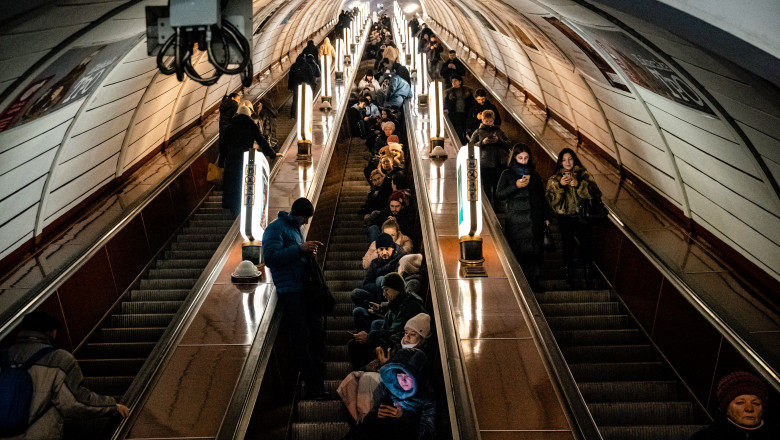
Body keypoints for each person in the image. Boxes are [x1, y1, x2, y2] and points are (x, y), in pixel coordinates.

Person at [0, 311, 130, 439]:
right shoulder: (59, 359)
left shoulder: (3, 357)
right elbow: (74, 403)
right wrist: (112, 406)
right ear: (51, 332)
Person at [262, 198, 329, 400]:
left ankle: (318, 383)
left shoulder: (295, 229)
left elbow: (293, 255)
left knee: (317, 334)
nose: (306, 222)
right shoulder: (275, 229)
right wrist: (299, 249)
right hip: (291, 291)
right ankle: (312, 388)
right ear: (297, 214)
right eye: (305, 217)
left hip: (304, 290)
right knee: (303, 338)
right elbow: (270, 258)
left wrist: (307, 251)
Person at [347, 348, 436, 440]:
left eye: (408, 376)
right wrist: (377, 413)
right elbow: (370, 418)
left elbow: (427, 433)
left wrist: (403, 415)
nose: (403, 380)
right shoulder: (390, 388)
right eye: (400, 375)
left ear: (418, 377)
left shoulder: (427, 399)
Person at [495, 144, 550, 289]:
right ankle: (522, 285)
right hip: (517, 223)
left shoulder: (535, 175)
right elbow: (499, 195)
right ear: (514, 158)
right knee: (520, 253)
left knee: (535, 253)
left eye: (526, 158)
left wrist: (546, 216)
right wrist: (516, 186)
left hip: (534, 220)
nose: (524, 161)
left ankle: (534, 283)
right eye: (520, 158)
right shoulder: (507, 174)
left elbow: (541, 197)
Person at [545, 148, 600, 288]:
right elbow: (550, 201)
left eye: (570, 159)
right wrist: (560, 186)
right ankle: (568, 276)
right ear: (560, 162)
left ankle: (589, 277)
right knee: (567, 245)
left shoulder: (584, 175)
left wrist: (579, 185)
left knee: (586, 245)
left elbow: (595, 193)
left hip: (582, 216)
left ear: (574, 159)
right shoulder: (554, 179)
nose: (567, 162)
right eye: (564, 160)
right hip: (565, 217)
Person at [348, 274, 426, 369]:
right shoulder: (397, 303)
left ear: (396, 288)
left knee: (361, 341)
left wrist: (369, 337)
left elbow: (394, 334)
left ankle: (362, 369)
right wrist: (380, 308)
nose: (384, 294)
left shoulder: (409, 307)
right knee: (354, 343)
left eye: (386, 289)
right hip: (389, 340)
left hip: (395, 346)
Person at [219, 106, 276, 216]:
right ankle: (243, 206)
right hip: (246, 160)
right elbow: (262, 141)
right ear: (249, 115)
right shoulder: (251, 126)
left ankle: (233, 209)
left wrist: (221, 163)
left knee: (232, 184)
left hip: (232, 161)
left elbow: (223, 147)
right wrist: (272, 153)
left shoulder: (230, 127)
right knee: (244, 182)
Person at [691, 371, 777, 439]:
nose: (749, 409)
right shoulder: (704, 437)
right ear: (726, 409)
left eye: (756, 403)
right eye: (740, 402)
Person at [351, 233, 407, 310]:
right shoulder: (375, 262)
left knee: (380, 280)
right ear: (377, 250)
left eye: (387, 249)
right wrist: (379, 288)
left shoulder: (400, 257)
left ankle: (383, 309)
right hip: (378, 295)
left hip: (393, 295)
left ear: (392, 248)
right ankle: (375, 310)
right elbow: (366, 283)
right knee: (355, 293)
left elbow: (397, 279)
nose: (384, 252)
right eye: (381, 249)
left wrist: (382, 285)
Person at [469, 110, 509, 205]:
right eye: (486, 121)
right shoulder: (478, 132)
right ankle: (488, 206)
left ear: (493, 121)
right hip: (484, 164)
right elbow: (470, 146)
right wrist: (482, 142)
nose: (489, 123)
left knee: (497, 186)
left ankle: (497, 205)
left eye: (490, 121)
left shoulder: (499, 131)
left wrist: (499, 141)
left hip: (498, 163)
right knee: (486, 186)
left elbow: (508, 143)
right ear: (482, 120)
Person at [444, 76, 475, 145]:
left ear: (460, 82)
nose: (453, 83)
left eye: (455, 81)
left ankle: (463, 142)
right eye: (452, 81)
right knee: (458, 130)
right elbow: (446, 103)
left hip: (465, 114)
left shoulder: (467, 92)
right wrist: (446, 109)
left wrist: (472, 112)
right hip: (455, 115)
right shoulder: (449, 93)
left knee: (464, 129)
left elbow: (472, 103)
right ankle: (459, 143)